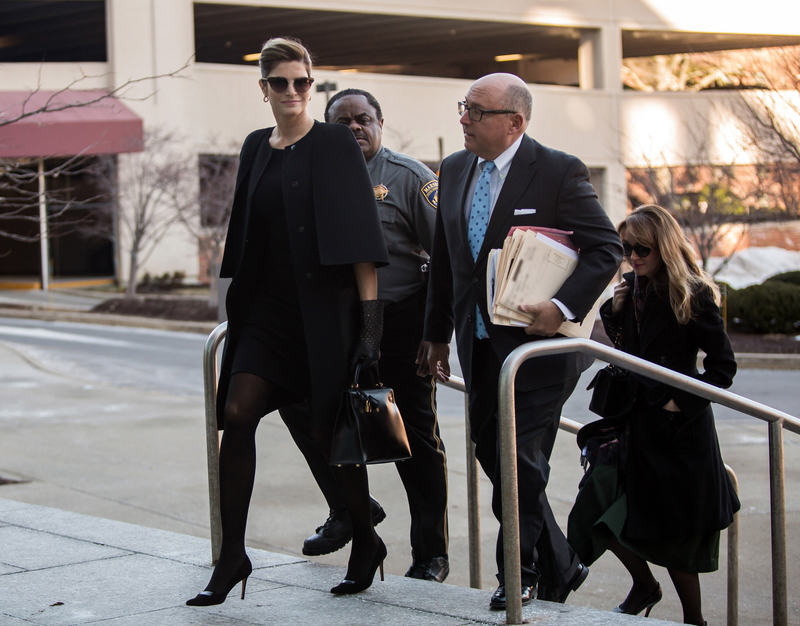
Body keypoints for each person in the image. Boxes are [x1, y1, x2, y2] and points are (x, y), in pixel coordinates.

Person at [186, 37, 390, 605]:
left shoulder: (333, 144)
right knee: (236, 413)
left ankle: (366, 540)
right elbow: (240, 235)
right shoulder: (255, 147)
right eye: (282, 83)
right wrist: (229, 304)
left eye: (304, 82)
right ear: (265, 89)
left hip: (324, 316)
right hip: (267, 315)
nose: (295, 92)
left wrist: (369, 331)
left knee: (330, 434)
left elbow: (361, 244)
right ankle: (232, 556)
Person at [419, 72, 623, 609]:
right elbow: (446, 261)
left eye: (477, 111)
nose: (463, 118)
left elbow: (606, 249)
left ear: (515, 122)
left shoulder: (558, 171)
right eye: (463, 107)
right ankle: (562, 562)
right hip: (479, 347)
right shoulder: (456, 168)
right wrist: (436, 335)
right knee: (491, 449)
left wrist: (559, 309)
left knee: (519, 459)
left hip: (539, 353)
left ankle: (521, 572)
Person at [279, 88, 450, 582]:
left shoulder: (410, 178)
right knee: (300, 406)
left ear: (380, 123)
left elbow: (448, 258)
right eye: (343, 121)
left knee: (413, 439)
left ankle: (430, 555)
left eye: (363, 119)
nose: (354, 128)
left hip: (401, 323)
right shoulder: (312, 173)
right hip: (333, 323)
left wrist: (437, 331)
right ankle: (349, 509)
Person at [567, 204, 740, 626]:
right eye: (627, 249)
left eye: (642, 248)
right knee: (594, 508)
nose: (634, 256)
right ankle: (645, 585)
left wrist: (679, 403)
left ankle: (693, 619)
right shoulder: (631, 289)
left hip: (677, 432)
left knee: (675, 534)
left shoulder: (692, 293)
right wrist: (616, 310)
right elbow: (628, 354)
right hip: (633, 426)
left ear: (663, 245)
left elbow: (723, 369)